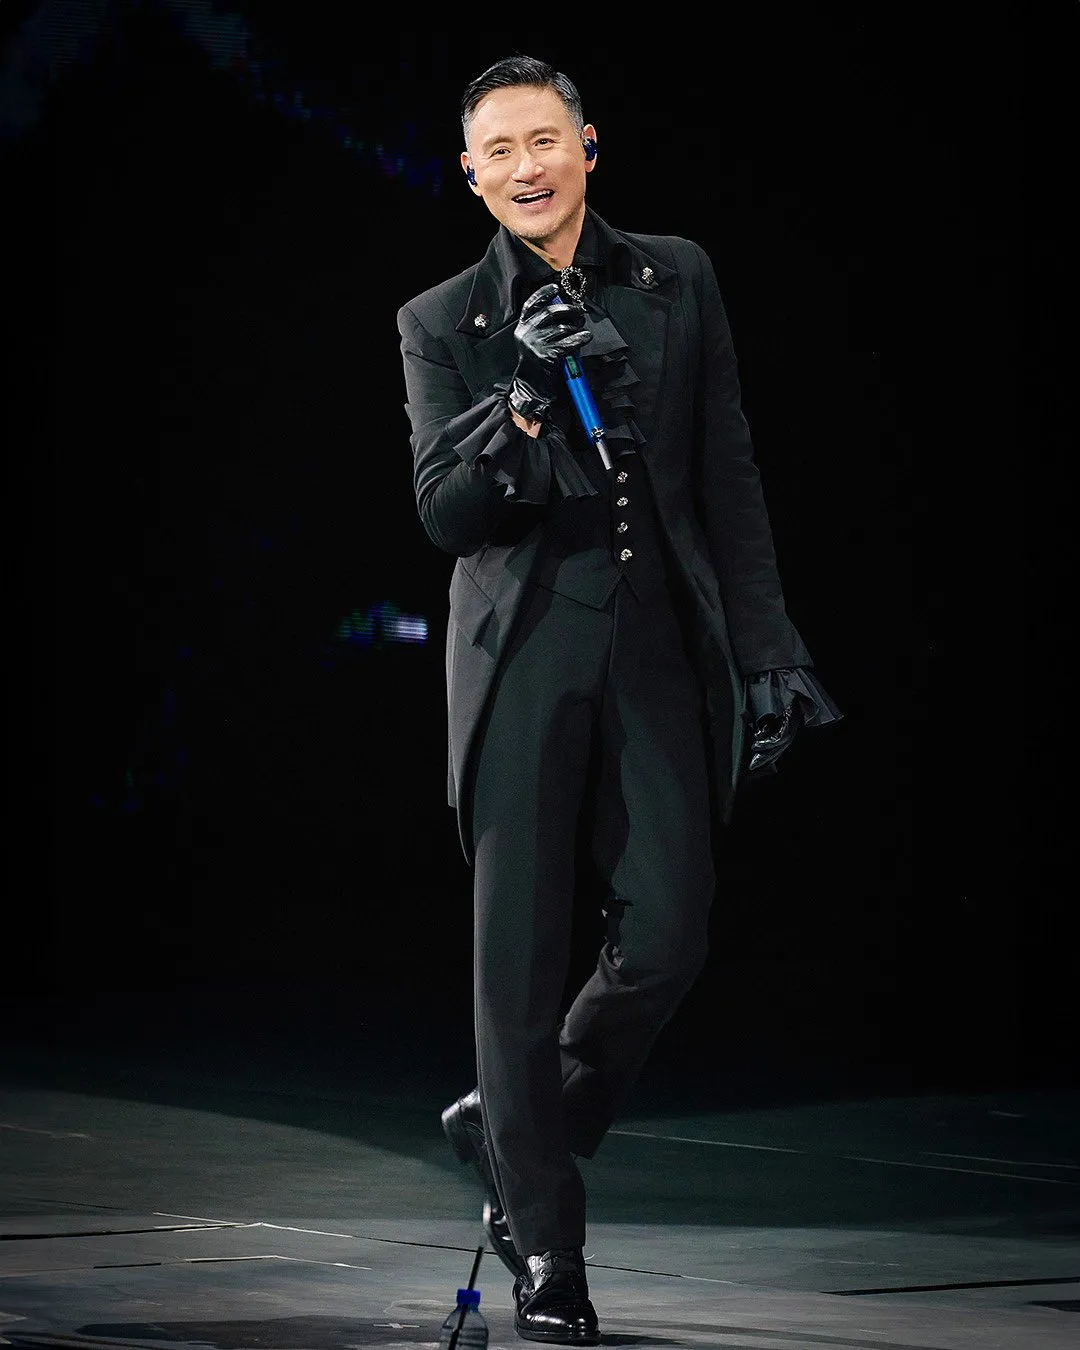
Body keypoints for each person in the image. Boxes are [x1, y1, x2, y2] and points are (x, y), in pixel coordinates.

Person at [397, 54, 842, 1346]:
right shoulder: (442, 319)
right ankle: (547, 1244)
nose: (526, 168)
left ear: (589, 146)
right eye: (499, 151)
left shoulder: (676, 276)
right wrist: (525, 404)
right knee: (517, 960)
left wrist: (767, 644)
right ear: (470, 174)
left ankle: (514, 1124)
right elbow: (445, 513)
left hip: (656, 642)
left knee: (670, 931)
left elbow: (728, 473)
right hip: (526, 650)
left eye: (545, 140)